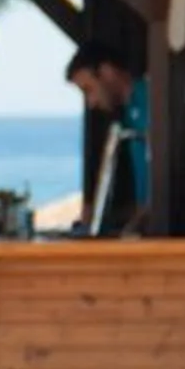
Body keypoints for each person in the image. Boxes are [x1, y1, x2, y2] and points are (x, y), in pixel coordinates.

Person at [66, 41, 149, 234]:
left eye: (88, 89)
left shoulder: (150, 102)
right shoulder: (128, 115)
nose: (91, 102)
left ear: (107, 72)